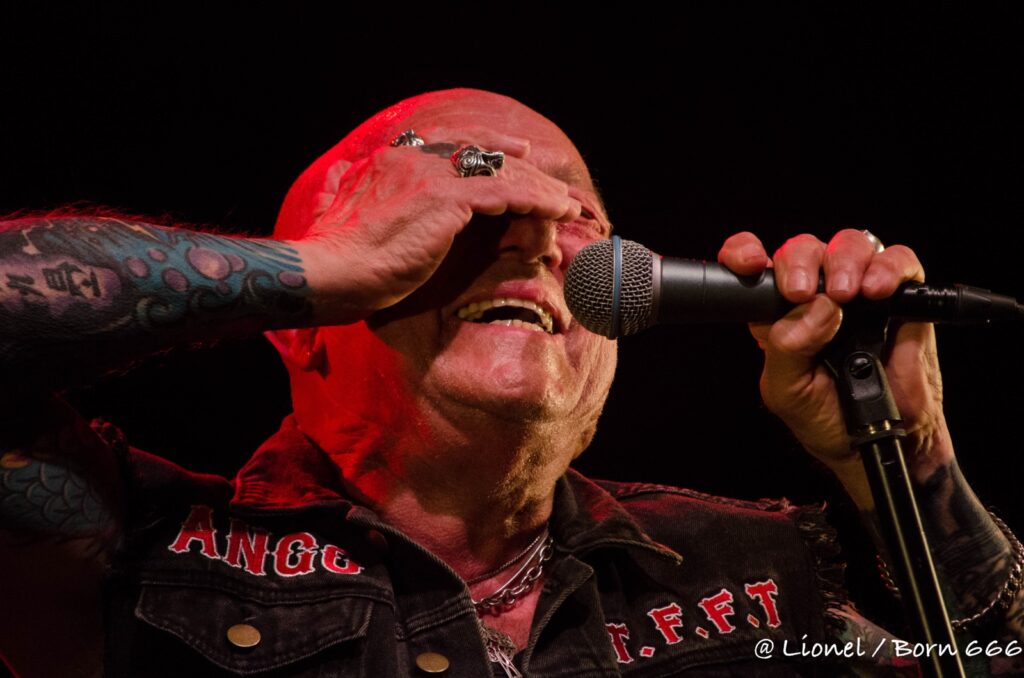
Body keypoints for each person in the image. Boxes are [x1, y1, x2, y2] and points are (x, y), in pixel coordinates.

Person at [0, 88, 1020, 677]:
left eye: (577, 219)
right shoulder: (136, 554)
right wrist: (327, 267)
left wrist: (911, 462)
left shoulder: (756, 575)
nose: (537, 242)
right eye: (471, 200)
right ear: (301, 325)